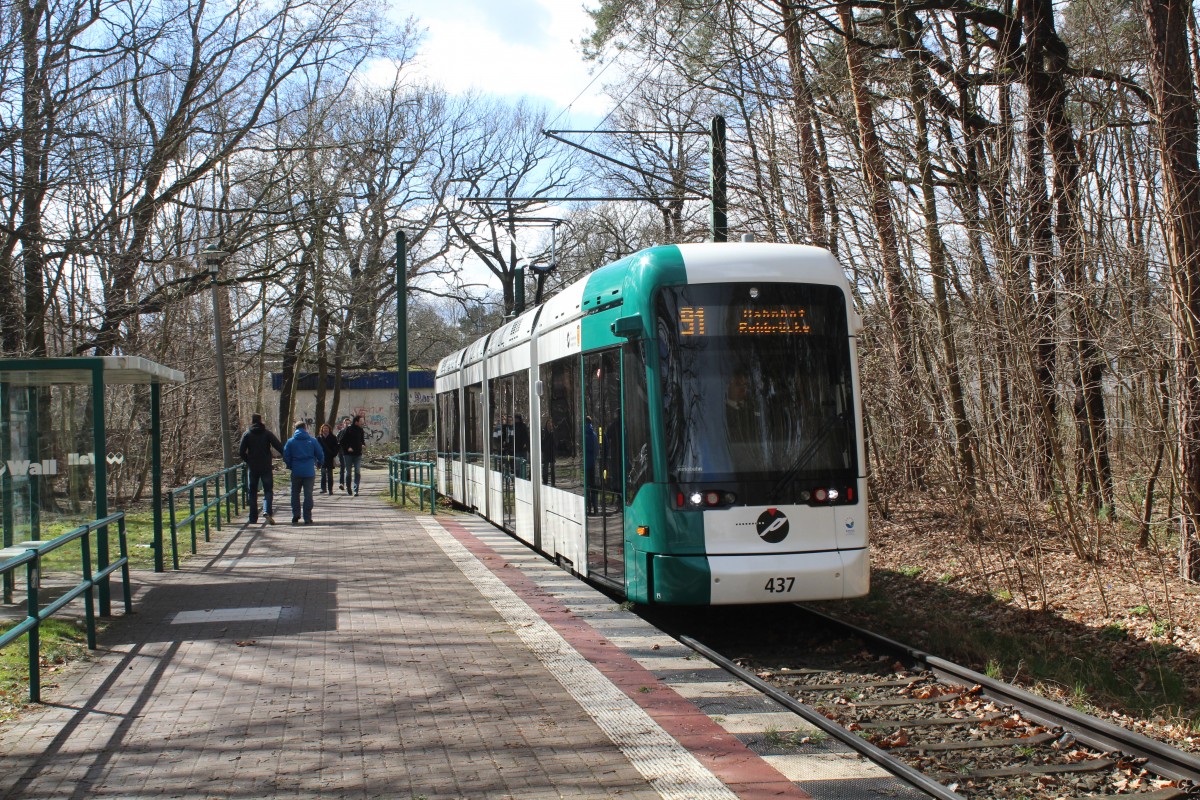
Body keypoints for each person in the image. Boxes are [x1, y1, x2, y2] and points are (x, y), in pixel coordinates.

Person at [238, 413, 283, 524]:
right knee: (268, 490)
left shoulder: (247, 434)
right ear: (261, 420)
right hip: (266, 466)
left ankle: (253, 518)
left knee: (252, 492)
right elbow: (279, 446)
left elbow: (241, 451)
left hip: (253, 467)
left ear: (252, 421)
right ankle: (267, 510)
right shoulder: (267, 434)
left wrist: (248, 460)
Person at [283, 420, 324, 525]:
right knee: (308, 495)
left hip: (296, 470)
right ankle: (307, 517)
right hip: (309, 471)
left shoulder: (291, 441)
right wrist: (319, 463)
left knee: (295, 493)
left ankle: (296, 514)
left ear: (295, 429)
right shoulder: (312, 440)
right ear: (305, 428)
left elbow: (286, 455)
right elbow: (320, 454)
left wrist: (291, 465)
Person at [337, 414, 366, 496]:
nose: (362, 422)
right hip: (348, 454)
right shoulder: (348, 429)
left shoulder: (361, 430)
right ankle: (348, 488)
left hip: (358, 454)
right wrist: (348, 447)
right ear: (356, 422)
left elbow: (362, 440)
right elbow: (341, 441)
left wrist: (363, 444)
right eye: (361, 421)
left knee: (357, 471)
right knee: (348, 472)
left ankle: (356, 489)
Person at [316, 423, 340, 494]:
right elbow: (317, 448)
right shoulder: (319, 438)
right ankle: (323, 488)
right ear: (322, 429)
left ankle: (330, 489)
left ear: (329, 429)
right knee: (323, 474)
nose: (325, 430)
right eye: (324, 428)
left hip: (330, 458)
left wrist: (333, 454)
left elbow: (336, 447)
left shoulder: (333, 437)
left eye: (327, 428)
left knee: (330, 475)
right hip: (322, 458)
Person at [584, 415, 599, 514]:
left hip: (586, 464)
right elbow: (597, 449)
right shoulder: (594, 435)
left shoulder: (583, 435)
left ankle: (588, 507)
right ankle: (595, 507)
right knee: (593, 486)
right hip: (592, 464)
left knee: (587, 486)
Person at [336, 416, 352, 490]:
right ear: (343, 424)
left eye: (348, 423)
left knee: (348, 469)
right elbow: (336, 441)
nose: (347, 424)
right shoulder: (340, 432)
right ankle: (341, 483)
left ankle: (348, 484)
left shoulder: (352, 432)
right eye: (346, 423)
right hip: (342, 452)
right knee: (342, 467)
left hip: (349, 454)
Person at [541, 417, 556, 486]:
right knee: (545, 467)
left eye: (551, 422)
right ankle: (545, 481)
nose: (550, 424)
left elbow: (555, 441)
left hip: (552, 451)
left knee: (552, 467)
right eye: (548, 422)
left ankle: (553, 482)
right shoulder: (544, 432)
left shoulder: (553, 431)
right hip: (546, 451)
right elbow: (543, 441)